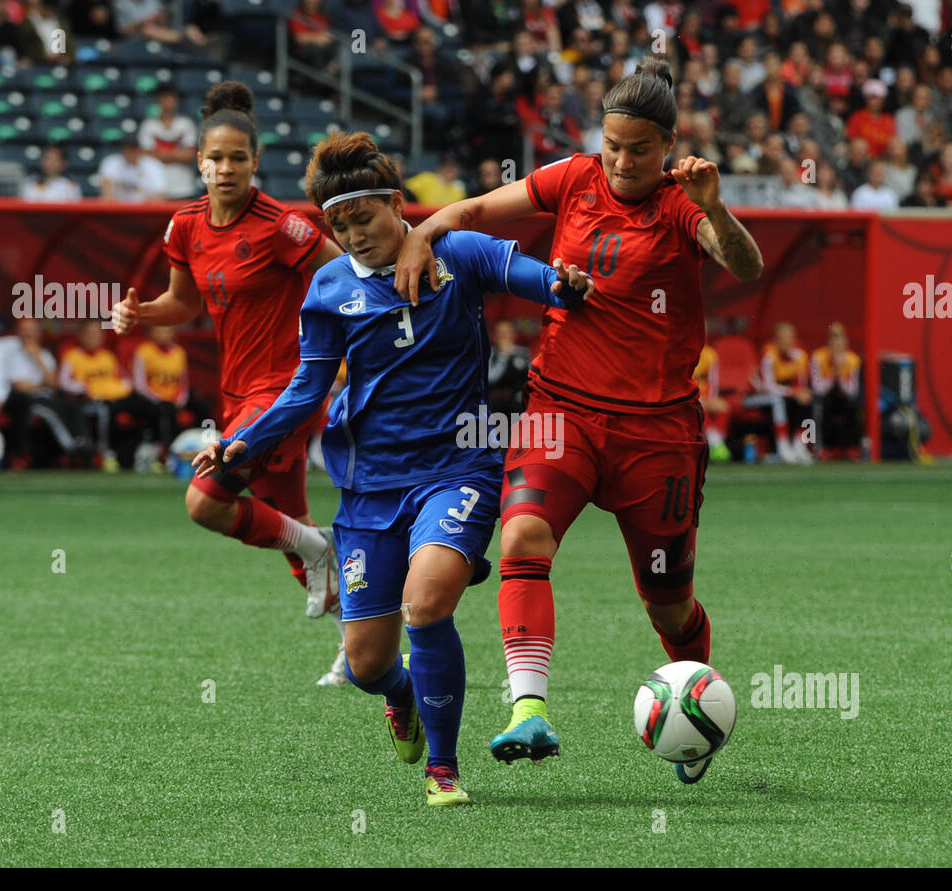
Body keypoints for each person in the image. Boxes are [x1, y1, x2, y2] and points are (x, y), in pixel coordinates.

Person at [192, 131, 594, 805]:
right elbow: (307, 388)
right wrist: (240, 440)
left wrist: (564, 283)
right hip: (369, 485)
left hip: (457, 467)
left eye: (363, 218)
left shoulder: (456, 252)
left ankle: (445, 769)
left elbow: (541, 282)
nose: (352, 235)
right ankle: (402, 695)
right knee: (368, 661)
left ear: (393, 203)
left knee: (428, 600)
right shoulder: (326, 289)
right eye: (338, 225)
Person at [394, 56, 765, 785]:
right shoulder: (572, 178)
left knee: (669, 600)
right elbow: (469, 213)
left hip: (658, 434)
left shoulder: (683, 205)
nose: (622, 161)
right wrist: (422, 231)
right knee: (524, 534)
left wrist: (715, 205)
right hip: (558, 408)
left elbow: (744, 264)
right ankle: (527, 708)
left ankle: (697, 705)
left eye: (639, 149)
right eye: (612, 144)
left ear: (667, 145)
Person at [109, 81, 348, 685]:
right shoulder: (185, 225)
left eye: (237, 158)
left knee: (204, 501)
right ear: (198, 161)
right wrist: (140, 315)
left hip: (286, 392)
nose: (225, 168)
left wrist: (342, 356)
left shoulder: (281, 226)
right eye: (214, 158)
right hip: (239, 395)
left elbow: (349, 275)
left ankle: (322, 546)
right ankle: (365, 651)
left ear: (255, 162)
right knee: (287, 526)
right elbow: (181, 304)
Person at [0, 315, 88, 468]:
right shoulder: (11, 353)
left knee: (71, 405)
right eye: (24, 330)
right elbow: (20, 386)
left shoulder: (43, 354)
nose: (28, 334)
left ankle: (81, 440)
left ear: (38, 333)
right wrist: (41, 385)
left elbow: (53, 383)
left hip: (46, 395)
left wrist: (37, 358)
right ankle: (71, 446)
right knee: (50, 410)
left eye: (32, 330)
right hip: (22, 400)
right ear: (18, 332)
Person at [59, 318, 143, 471]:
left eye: (97, 334)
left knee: (140, 405)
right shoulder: (72, 356)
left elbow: (126, 381)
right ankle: (105, 454)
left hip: (114, 399)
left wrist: (111, 390)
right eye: (89, 334)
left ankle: (144, 450)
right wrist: (87, 388)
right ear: (81, 335)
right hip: (87, 402)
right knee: (104, 410)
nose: (94, 337)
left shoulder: (107, 357)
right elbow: (64, 383)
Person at [131, 324, 210, 445]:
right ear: (151, 333)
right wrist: (159, 399)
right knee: (166, 410)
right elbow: (140, 385)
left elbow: (184, 382)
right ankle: (169, 448)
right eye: (159, 331)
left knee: (202, 406)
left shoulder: (179, 352)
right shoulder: (143, 352)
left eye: (167, 331)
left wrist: (181, 399)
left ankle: (203, 443)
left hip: (176, 398)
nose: (163, 335)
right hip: (153, 400)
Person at [758, 321, 813, 464]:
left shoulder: (800, 356)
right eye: (782, 338)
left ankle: (801, 445)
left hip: (788, 395)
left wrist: (801, 393)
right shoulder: (769, 356)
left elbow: (802, 382)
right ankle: (783, 447)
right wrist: (793, 392)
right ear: (776, 340)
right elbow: (768, 385)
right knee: (778, 402)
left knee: (807, 401)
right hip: (763, 396)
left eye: (789, 338)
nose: (786, 342)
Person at [810, 322, 861, 460]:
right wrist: (834, 373)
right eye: (833, 338)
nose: (837, 343)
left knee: (853, 406)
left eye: (839, 338)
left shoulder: (852, 360)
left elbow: (852, 391)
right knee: (822, 406)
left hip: (844, 396)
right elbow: (818, 389)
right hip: (826, 396)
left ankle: (851, 447)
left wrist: (841, 377)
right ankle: (823, 447)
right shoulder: (818, 357)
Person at [138, 83, 199, 199]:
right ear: (158, 101)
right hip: (156, 189)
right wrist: (177, 153)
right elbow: (146, 156)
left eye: (170, 98)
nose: (167, 102)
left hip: (183, 187)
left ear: (176, 101)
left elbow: (189, 155)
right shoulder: (148, 125)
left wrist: (160, 154)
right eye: (164, 98)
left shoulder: (186, 124)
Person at [99, 135, 166, 203]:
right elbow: (106, 193)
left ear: (139, 150)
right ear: (123, 151)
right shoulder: (111, 162)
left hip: (144, 210)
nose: (131, 154)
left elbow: (159, 195)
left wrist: (139, 210)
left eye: (134, 150)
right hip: (116, 209)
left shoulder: (153, 165)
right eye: (128, 151)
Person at [486, 319, 530, 422]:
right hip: (494, 406)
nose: (504, 337)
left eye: (507, 333)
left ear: (513, 335)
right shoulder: (490, 354)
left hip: (517, 407)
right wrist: (503, 356)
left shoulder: (523, 353)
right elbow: (491, 378)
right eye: (501, 334)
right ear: (495, 336)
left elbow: (530, 378)